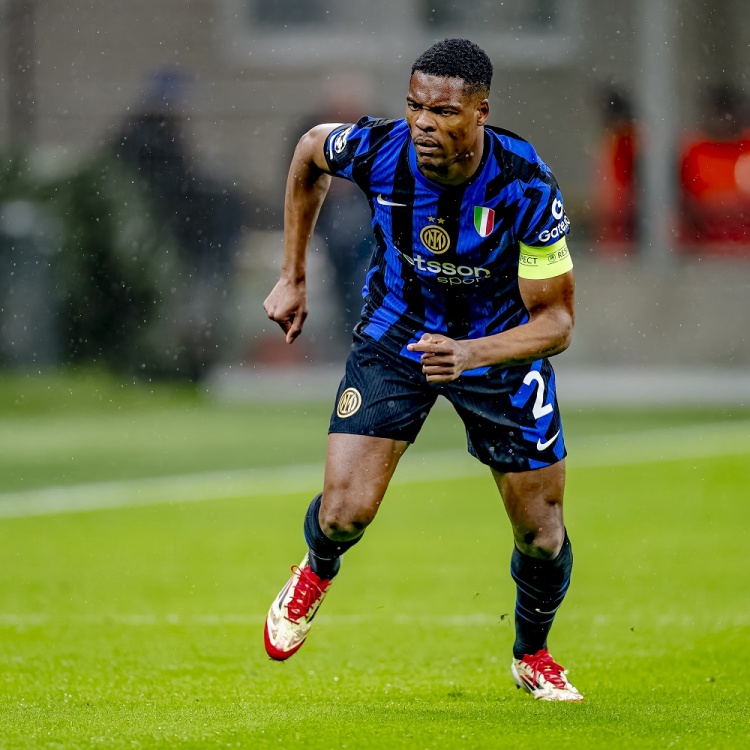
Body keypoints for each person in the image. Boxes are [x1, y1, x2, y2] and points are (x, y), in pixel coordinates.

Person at [263, 38, 581, 702]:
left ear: (481, 112)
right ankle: (316, 569)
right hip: (397, 337)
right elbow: (310, 151)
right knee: (343, 513)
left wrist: (470, 354)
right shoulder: (381, 150)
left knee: (542, 535)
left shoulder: (525, 184)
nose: (423, 124)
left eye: (442, 111)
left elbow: (556, 323)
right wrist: (293, 275)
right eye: (415, 106)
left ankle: (532, 653)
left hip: (497, 350)